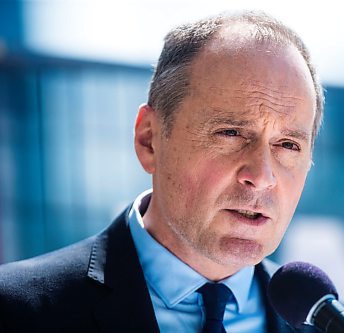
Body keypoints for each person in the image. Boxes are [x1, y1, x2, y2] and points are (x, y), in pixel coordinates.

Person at [0, 11, 324, 333]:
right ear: (149, 140)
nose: (262, 175)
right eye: (230, 133)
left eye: (288, 145)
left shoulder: (329, 326)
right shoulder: (16, 312)